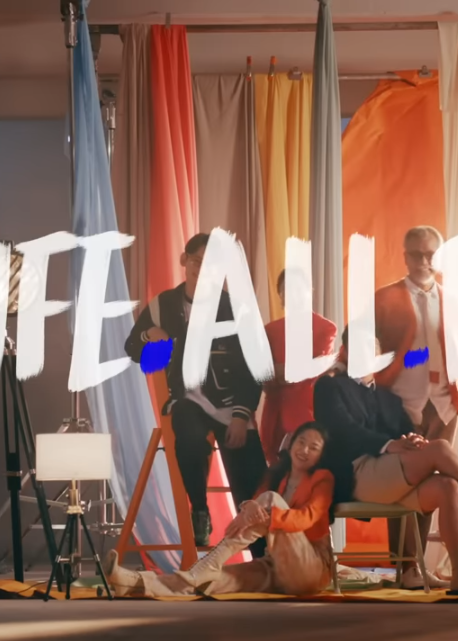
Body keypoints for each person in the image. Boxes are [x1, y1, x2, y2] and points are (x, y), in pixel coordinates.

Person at [314, 327, 458, 596]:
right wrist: (390, 444)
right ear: (346, 351)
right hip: (356, 474)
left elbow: (403, 431)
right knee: (440, 449)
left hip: (389, 477)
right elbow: (342, 430)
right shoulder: (329, 385)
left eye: (372, 348)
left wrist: (411, 439)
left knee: (448, 486)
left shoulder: (387, 397)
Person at [124, 232, 266, 550]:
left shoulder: (236, 309)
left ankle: (262, 553)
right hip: (186, 400)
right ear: (184, 261)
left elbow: (255, 367)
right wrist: (149, 334)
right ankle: (199, 511)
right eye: (197, 261)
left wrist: (241, 415)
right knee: (187, 434)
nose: (202, 270)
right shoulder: (163, 305)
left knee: (250, 473)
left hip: (230, 405)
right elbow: (133, 348)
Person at [104, 422, 338, 597]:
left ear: (321, 455)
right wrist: (249, 507)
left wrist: (266, 514)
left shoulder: (323, 478)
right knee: (207, 582)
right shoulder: (277, 475)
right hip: (277, 568)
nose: (304, 450)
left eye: (313, 447)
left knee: (271, 499)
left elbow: (305, 518)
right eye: (301, 442)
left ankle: (211, 560)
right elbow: (255, 502)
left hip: (311, 569)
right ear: (291, 444)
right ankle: (135, 583)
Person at [372, 226, 458, 444]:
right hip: (398, 406)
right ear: (405, 258)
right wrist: (339, 366)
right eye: (416, 255)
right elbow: (357, 343)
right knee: (401, 466)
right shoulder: (383, 299)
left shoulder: (455, 303)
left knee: (442, 464)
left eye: (431, 255)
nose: (424, 262)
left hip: (445, 408)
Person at [261, 268, 338, 465]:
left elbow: (315, 369)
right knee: (275, 471)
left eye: (297, 288)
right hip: (275, 411)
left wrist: (279, 371)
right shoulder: (270, 331)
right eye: (286, 289)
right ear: (280, 296)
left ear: (309, 291)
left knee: (305, 467)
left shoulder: (325, 328)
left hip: (305, 411)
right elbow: (263, 376)